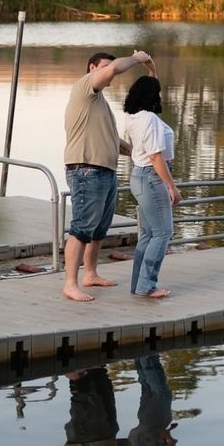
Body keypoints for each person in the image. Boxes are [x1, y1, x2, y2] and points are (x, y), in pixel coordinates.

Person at [63, 49, 155, 303]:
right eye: (105, 66)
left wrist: (145, 153)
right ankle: (70, 283)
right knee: (81, 228)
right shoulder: (84, 88)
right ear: (92, 69)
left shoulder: (100, 103)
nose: (110, 70)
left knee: (99, 229)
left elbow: (115, 142)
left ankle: (90, 274)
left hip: (105, 171)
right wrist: (136, 60)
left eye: (110, 66)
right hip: (86, 169)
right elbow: (114, 69)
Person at [123, 75, 181, 298]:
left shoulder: (133, 116)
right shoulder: (151, 120)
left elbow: (149, 85)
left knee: (148, 234)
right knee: (163, 233)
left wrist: (151, 69)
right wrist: (172, 186)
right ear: (152, 96)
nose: (160, 95)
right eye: (157, 92)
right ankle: (147, 286)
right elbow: (156, 157)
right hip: (152, 176)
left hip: (139, 175)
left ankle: (138, 284)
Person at [125, 354, 177, 446]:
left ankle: (147, 352)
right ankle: (139, 355)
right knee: (147, 388)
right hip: (140, 444)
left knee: (162, 394)